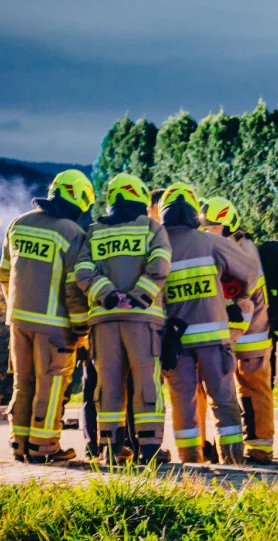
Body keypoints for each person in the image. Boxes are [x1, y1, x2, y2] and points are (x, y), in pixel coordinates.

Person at [157, 183, 259, 464]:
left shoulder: (157, 245)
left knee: (183, 403)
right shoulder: (210, 242)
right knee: (223, 399)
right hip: (214, 338)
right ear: (194, 213)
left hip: (174, 343)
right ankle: (233, 459)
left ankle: (190, 459)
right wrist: (232, 291)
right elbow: (249, 273)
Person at [0, 169, 93, 464]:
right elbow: (74, 288)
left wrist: (15, 307)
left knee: (22, 382)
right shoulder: (72, 233)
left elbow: (3, 274)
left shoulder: (18, 224)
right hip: (54, 325)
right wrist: (81, 329)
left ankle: (19, 443)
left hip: (18, 321)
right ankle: (44, 446)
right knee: (51, 384)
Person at [75, 173, 172, 465]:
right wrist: (138, 296)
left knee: (108, 384)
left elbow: (82, 271)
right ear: (140, 198)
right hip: (143, 320)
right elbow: (160, 264)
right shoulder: (151, 228)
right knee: (146, 383)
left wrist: (110, 296)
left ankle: (112, 449)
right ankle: (150, 449)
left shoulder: (94, 232)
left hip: (104, 320)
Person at [199, 197, 275, 465]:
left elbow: (240, 303)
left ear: (228, 225)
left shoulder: (233, 251)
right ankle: (258, 446)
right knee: (252, 389)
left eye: (212, 228)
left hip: (243, 331)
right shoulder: (243, 245)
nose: (208, 233)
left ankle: (257, 447)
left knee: (246, 388)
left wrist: (222, 341)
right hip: (256, 331)